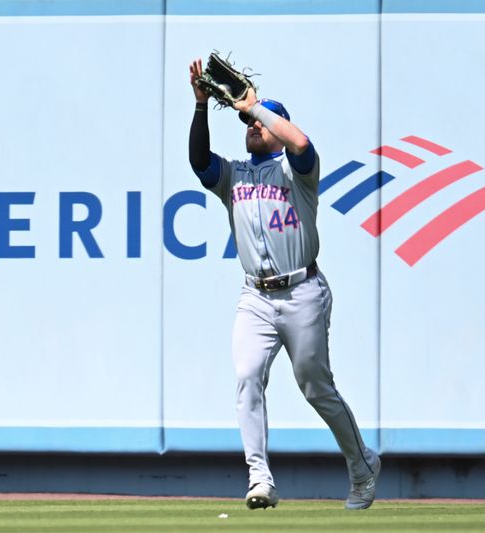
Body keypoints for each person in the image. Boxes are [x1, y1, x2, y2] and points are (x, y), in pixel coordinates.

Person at [187, 58, 381, 510]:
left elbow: (302, 141)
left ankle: (362, 465)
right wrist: (200, 107)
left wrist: (256, 106)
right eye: (246, 122)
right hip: (255, 296)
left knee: (315, 388)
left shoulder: (299, 171)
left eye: (257, 120)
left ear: (276, 123)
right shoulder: (234, 175)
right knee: (247, 376)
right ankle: (260, 478)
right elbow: (199, 161)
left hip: (303, 293)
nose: (250, 126)